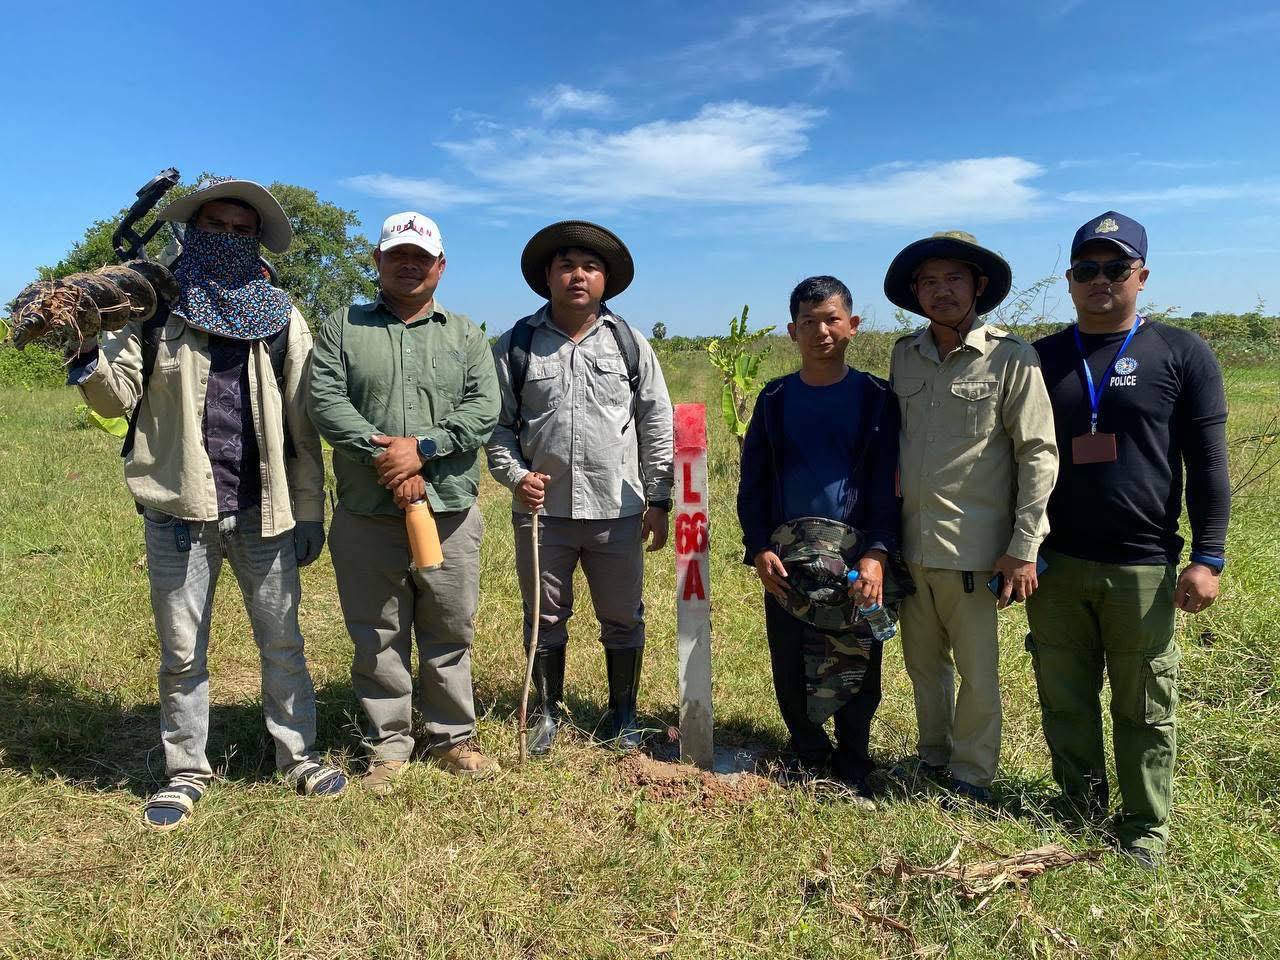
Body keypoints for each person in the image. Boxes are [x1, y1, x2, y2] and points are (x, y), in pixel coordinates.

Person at [68, 176, 344, 830]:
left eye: (240, 230)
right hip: (178, 509)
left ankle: (298, 755)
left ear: (256, 240)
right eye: (215, 226)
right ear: (193, 230)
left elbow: (302, 425)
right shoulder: (153, 306)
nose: (227, 238)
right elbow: (116, 396)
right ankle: (186, 769)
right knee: (181, 650)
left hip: (263, 510)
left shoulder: (280, 316)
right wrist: (84, 343)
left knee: (283, 642)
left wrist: (310, 510)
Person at [1028, 211, 1230, 867]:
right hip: (1055, 564)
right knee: (1065, 700)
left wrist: (1208, 557)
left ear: (1141, 276)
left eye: (1116, 268)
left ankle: (1144, 828)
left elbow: (1208, 463)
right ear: (1069, 280)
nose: (1101, 280)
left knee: (1145, 705)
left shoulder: (1181, 352)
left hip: (1143, 566)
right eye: (1087, 269)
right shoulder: (1041, 359)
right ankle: (1079, 810)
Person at [308, 212, 501, 793]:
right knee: (377, 630)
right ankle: (388, 745)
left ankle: (452, 736)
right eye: (398, 255)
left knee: (450, 627)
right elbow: (326, 402)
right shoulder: (342, 327)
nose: (409, 265)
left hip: (449, 509)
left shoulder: (465, 334)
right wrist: (388, 458)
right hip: (368, 510)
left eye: (421, 256)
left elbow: (483, 408)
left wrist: (423, 449)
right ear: (378, 260)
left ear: (440, 266)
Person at [486, 220, 673, 754]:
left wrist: (659, 499)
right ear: (547, 276)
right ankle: (547, 712)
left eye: (590, 267)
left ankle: (624, 714)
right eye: (566, 265)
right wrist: (516, 477)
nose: (578, 275)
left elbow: (656, 422)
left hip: (619, 509)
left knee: (623, 616)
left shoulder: (629, 343)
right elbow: (496, 427)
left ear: (605, 280)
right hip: (544, 514)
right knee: (544, 616)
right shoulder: (516, 345)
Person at [885, 231, 1058, 802]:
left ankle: (972, 775)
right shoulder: (904, 355)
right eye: (930, 282)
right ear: (916, 291)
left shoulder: (1012, 357)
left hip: (977, 550)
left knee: (978, 674)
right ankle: (933, 756)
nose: (943, 291)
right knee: (922, 665)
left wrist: (1024, 546)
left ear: (978, 286)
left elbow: (1038, 452)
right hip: (913, 544)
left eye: (954, 279)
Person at [737, 276, 901, 799]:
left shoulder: (877, 397)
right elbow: (753, 481)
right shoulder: (776, 398)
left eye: (832, 319)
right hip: (788, 558)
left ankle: (854, 757)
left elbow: (890, 483)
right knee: (789, 659)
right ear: (792, 331)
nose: (821, 331)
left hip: (857, 560)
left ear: (853, 325)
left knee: (860, 657)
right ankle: (808, 751)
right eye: (808, 322)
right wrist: (759, 546)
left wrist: (877, 552)